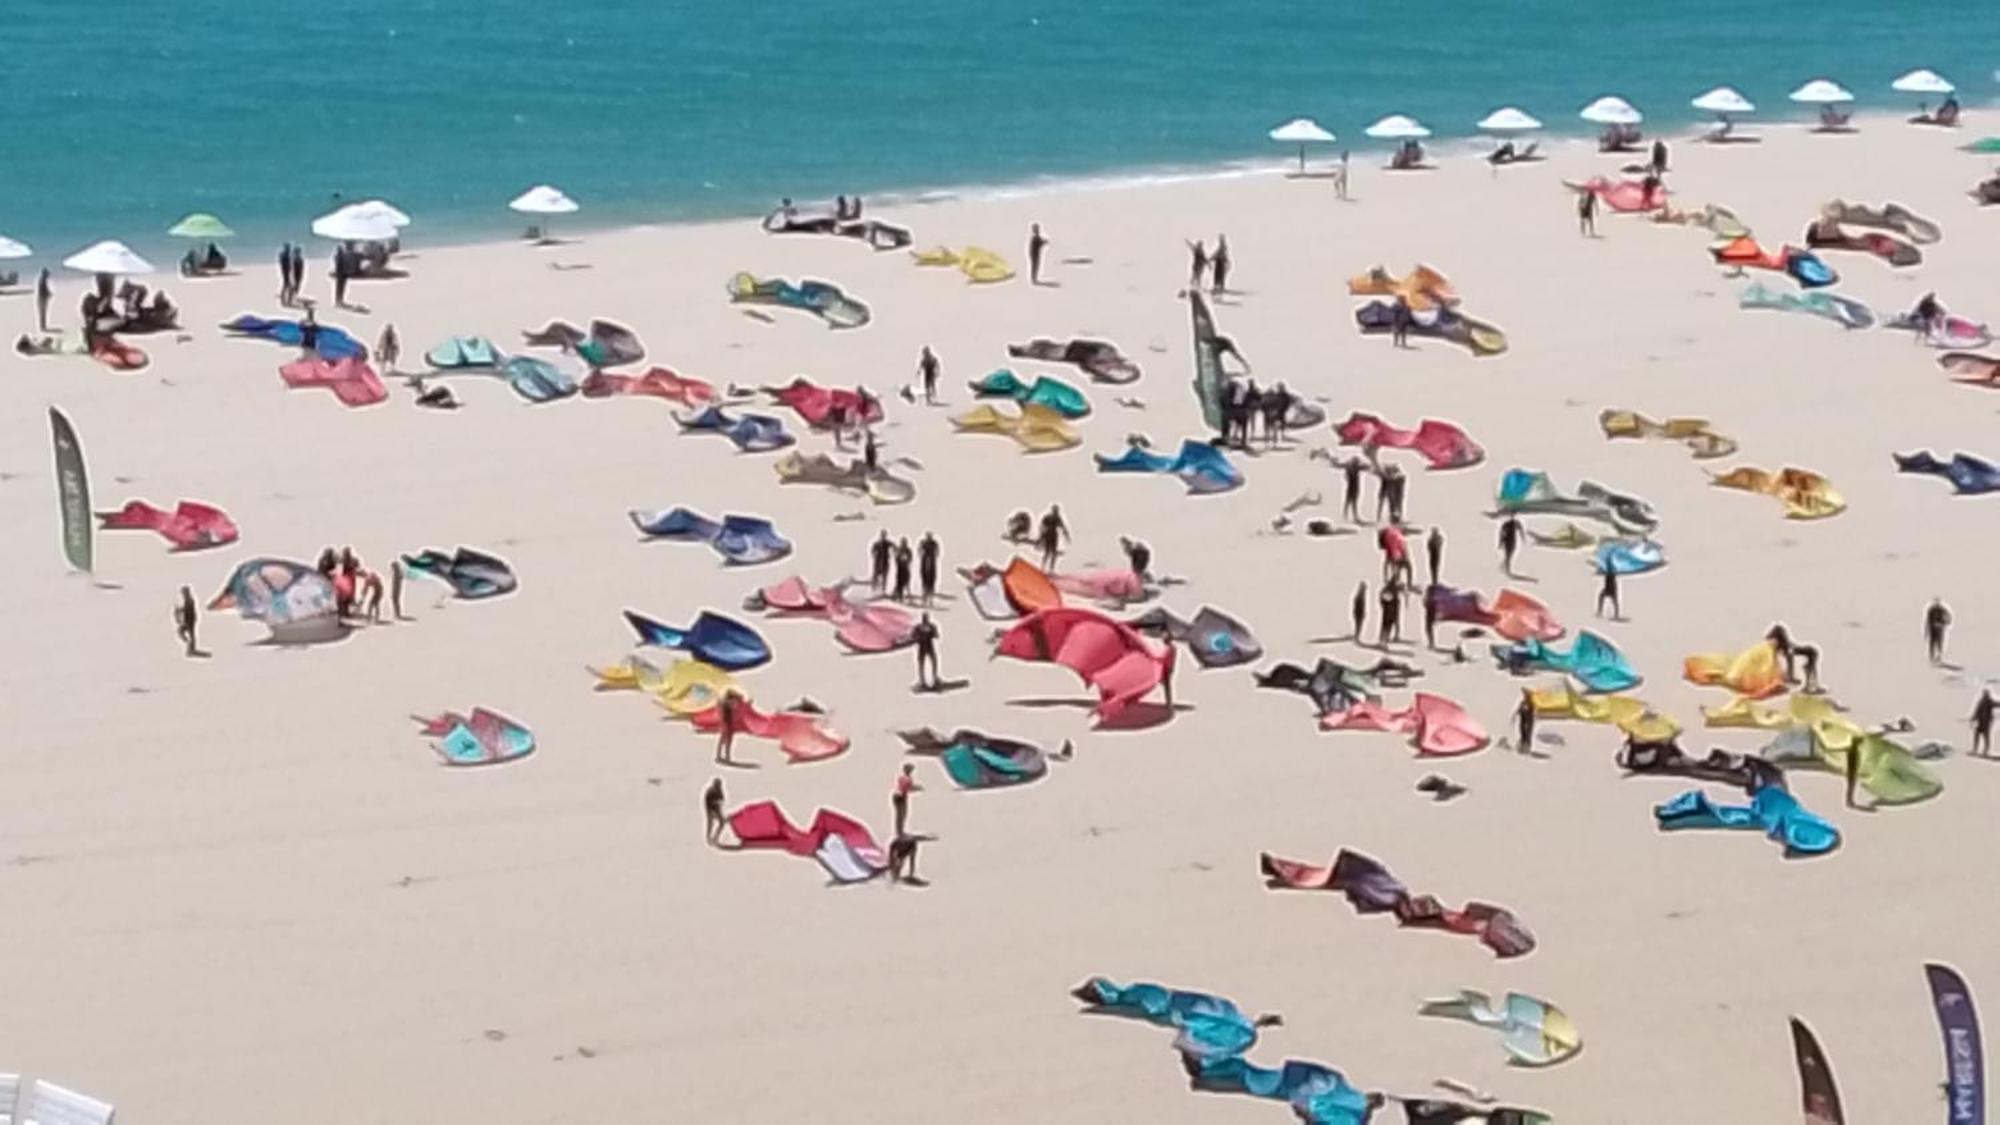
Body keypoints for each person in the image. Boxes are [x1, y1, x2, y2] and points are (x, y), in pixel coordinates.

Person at [912, 611, 941, 690]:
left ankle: (923, 681)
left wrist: (919, 638)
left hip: (922, 646)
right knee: (932, 662)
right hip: (929, 645)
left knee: (922, 663)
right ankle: (933, 679)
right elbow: (936, 635)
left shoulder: (918, 627)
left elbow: (913, 636)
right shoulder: (931, 626)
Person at [714, 688, 744, 765]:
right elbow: (736, 703)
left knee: (722, 740)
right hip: (727, 723)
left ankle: (719, 756)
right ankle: (726, 758)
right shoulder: (726, 703)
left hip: (724, 723)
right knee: (727, 741)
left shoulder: (722, 702)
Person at [1038, 504, 1069, 571]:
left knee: (1052, 553)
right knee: (1048, 552)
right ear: (1053, 510)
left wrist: (1066, 535)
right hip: (1049, 535)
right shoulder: (1049, 517)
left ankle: (1050, 568)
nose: (1057, 512)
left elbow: (1062, 527)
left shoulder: (1057, 518)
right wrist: (1041, 536)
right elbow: (1042, 526)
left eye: (1057, 510)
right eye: (1056, 510)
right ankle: (1043, 567)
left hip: (1053, 536)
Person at [891, 763, 919, 836]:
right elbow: (907, 788)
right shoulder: (908, 779)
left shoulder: (901, 777)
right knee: (902, 814)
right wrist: (917, 788)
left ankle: (899, 831)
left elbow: (904, 787)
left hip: (896, 795)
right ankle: (900, 831)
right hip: (901, 796)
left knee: (899, 814)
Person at [173, 585, 198, 657]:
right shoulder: (188, 599)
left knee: (188, 634)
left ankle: (190, 649)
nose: (183, 594)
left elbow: (188, 610)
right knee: (184, 633)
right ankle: (190, 648)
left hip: (189, 620)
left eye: (183, 593)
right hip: (188, 620)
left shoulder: (189, 600)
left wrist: (179, 610)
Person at [1926, 597, 1953, 664]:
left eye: (1937, 602)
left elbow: (1948, 617)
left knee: (1939, 643)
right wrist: (1927, 629)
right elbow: (1928, 620)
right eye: (1935, 602)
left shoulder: (1942, 610)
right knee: (1932, 643)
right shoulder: (1931, 610)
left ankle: (1939, 657)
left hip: (1940, 629)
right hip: (1932, 629)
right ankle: (1931, 657)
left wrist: (1944, 624)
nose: (1936, 604)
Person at [1972, 688, 1996, 757]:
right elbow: (1977, 711)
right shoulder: (1981, 702)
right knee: (1977, 734)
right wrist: (1973, 718)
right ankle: (1975, 749)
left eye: (1986, 694)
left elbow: (1997, 704)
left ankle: (1985, 751)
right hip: (1980, 722)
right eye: (1984, 694)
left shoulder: (1990, 701)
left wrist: (1975, 717)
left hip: (1986, 722)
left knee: (1986, 736)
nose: (1985, 695)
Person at [917, 532, 940, 604]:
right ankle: (924, 596)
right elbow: (919, 549)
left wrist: (935, 555)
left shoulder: (934, 543)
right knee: (924, 579)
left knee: (931, 580)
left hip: (932, 563)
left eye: (930, 536)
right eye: (928, 536)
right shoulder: (923, 542)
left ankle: (930, 597)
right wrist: (921, 553)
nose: (929, 537)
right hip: (924, 562)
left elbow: (937, 551)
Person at [1341, 456, 1365, 523]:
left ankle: (1346, 515)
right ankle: (1352, 516)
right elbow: (1364, 466)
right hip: (1354, 487)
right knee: (1352, 502)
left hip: (1351, 487)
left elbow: (1345, 476)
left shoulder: (1349, 468)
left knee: (1348, 501)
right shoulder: (1355, 468)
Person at [1377, 581, 1401, 647]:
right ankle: (1383, 642)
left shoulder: (1385, 591)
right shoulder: (1392, 594)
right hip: (1390, 613)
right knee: (1387, 627)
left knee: (1385, 626)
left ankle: (1383, 641)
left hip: (1387, 613)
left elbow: (1382, 601)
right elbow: (1393, 604)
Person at [703, 777, 726, 845]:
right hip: (710, 810)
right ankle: (709, 838)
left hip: (717, 809)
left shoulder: (719, 790)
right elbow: (707, 802)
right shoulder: (710, 791)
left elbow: (722, 799)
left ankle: (715, 837)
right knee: (710, 824)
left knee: (721, 823)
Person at [1513, 689, 1536, 754]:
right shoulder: (1523, 702)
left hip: (1528, 721)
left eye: (1526, 695)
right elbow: (1519, 710)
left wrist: (1522, 710)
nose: (1524, 696)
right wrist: (1515, 715)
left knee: (1527, 734)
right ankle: (1522, 746)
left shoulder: (1531, 703)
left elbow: (1529, 712)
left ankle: (1526, 748)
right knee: (1522, 733)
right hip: (1523, 721)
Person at [893, 537, 914, 602]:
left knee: (907, 582)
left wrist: (906, 560)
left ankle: (907, 596)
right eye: (902, 542)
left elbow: (910, 558)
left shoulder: (908, 550)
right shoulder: (899, 550)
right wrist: (900, 559)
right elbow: (896, 559)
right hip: (900, 569)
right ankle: (899, 597)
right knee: (899, 583)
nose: (904, 544)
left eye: (904, 542)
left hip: (906, 569)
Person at [331, 244, 351, 309]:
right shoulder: (343, 257)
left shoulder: (338, 257)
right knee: (341, 288)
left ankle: (338, 300)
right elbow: (345, 265)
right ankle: (339, 300)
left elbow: (336, 261)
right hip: (342, 274)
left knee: (338, 288)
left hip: (340, 274)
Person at [1421, 584, 1440, 650]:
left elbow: (1424, 604)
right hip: (1432, 615)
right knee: (1429, 629)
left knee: (1428, 629)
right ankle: (1431, 643)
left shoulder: (1430, 599)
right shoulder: (1434, 599)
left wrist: (1424, 600)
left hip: (1429, 615)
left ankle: (1431, 643)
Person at [35, 268, 51, 332]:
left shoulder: (41, 280)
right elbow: (44, 290)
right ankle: (43, 327)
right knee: (43, 313)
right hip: (42, 298)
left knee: (42, 313)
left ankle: (43, 326)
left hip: (41, 298)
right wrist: (49, 293)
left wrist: (49, 293)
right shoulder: (42, 281)